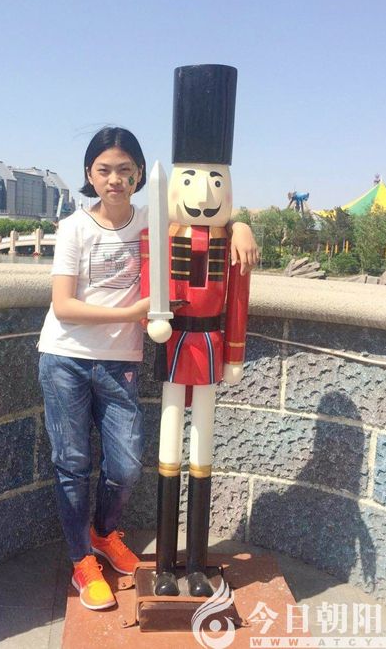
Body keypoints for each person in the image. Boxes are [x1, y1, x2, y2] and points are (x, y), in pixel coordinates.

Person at [38, 126, 258, 612]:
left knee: (125, 464)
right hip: (65, 358)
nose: (114, 179)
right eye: (104, 170)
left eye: (124, 170)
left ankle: (104, 533)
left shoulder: (151, 221)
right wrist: (133, 313)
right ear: (89, 174)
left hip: (120, 363)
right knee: (72, 464)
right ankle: (81, 559)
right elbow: (63, 305)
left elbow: (205, 219)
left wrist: (241, 225)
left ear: (139, 174)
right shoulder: (74, 228)